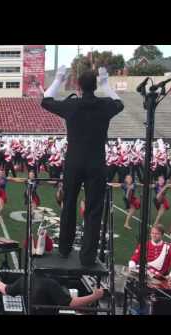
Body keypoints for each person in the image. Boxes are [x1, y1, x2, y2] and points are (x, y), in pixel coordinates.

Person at [41, 66, 124, 266]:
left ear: (78, 86)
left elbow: (45, 100)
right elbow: (119, 103)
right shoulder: (105, 105)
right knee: (94, 210)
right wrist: (106, 85)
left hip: (74, 162)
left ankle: (64, 248)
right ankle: (87, 256)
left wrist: (59, 79)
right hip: (96, 163)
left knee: (69, 204)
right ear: (95, 86)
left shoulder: (73, 106)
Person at [0, 275, 104, 315]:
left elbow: (6, 290)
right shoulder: (50, 283)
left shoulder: (24, 279)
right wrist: (94, 296)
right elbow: (71, 304)